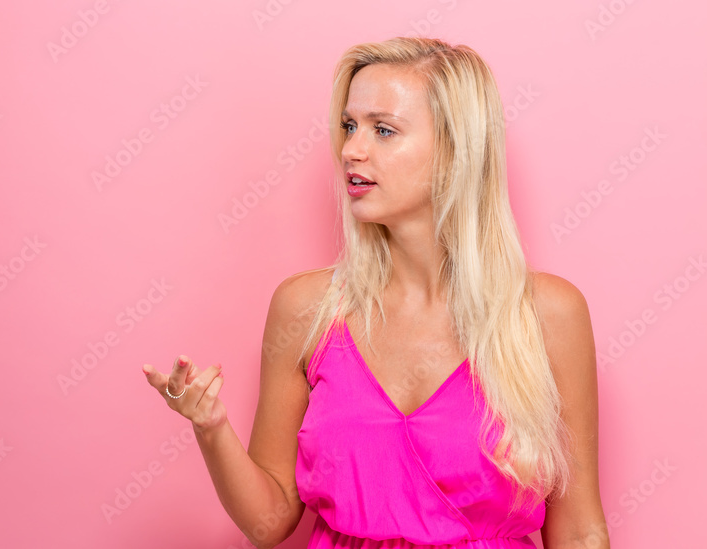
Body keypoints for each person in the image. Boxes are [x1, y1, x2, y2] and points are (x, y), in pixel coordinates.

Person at [142, 37, 609, 549]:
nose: (351, 150)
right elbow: (269, 523)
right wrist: (210, 427)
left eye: (383, 130)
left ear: (455, 150)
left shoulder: (547, 315)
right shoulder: (307, 309)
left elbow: (579, 530)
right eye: (349, 126)